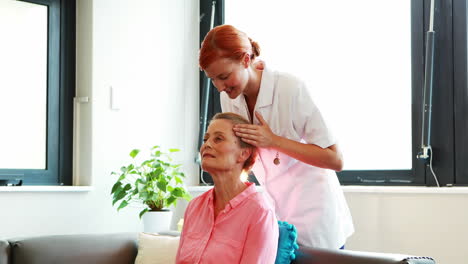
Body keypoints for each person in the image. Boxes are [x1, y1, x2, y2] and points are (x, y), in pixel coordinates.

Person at [199, 24, 354, 249]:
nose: (220, 87)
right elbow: (242, 154)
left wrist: (273, 141)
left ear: (245, 60)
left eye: (224, 76)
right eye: (213, 79)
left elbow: (335, 159)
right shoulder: (230, 98)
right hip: (275, 211)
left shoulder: (290, 88)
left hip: (315, 214)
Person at [175, 112, 279, 264]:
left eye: (218, 139)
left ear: (243, 154)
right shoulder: (194, 207)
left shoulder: (260, 214)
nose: (206, 145)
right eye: (205, 139)